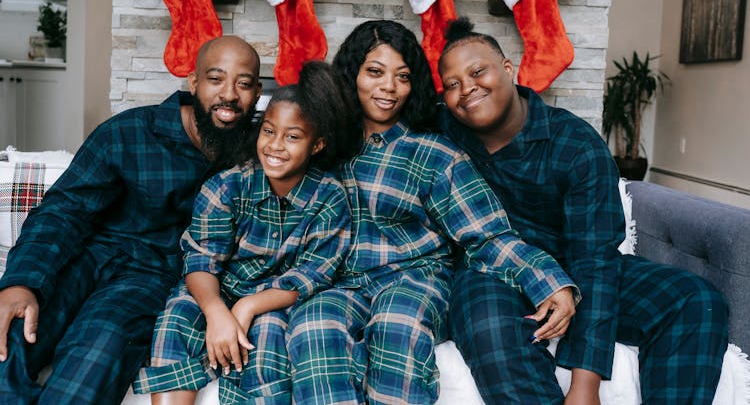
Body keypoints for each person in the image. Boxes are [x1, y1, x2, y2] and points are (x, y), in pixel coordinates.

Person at [286, 20, 579, 405]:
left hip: (416, 280)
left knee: (397, 323)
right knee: (312, 322)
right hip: (342, 284)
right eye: (375, 72)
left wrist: (549, 282)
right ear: (351, 75)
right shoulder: (325, 146)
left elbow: (487, 235)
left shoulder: (434, 153)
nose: (389, 87)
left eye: (402, 76)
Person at [438, 17, 729, 404]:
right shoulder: (444, 132)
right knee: (486, 324)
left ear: (509, 69)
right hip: (492, 272)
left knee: (694, 299)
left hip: (578, 264)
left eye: (477, 72)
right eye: (452, 84)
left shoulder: (575, 144)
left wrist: (585, 383)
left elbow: (595, 259)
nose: (467, 89)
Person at [0, 35, 263, 404]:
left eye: (244, 83)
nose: (230, 95)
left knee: (88, 371)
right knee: (9, 338)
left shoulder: (263, 149)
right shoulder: (129, 132)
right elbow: (63, 211)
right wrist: (22, 283)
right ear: (194, 83)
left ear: (257, 92)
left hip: (149, 279)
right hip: (87, 257)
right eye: (216, 79)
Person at [133, 61, 359, 404]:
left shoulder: (330, 196)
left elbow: (310, 276)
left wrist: (249, 306)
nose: (276, 145)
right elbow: (201, 261)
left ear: (316, 145)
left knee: (268, 336)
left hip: (275, 298)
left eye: (293, 136)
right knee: (178, 314)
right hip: (216, 288)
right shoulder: (227, 185)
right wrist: (217, 312)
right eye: (269, 131)